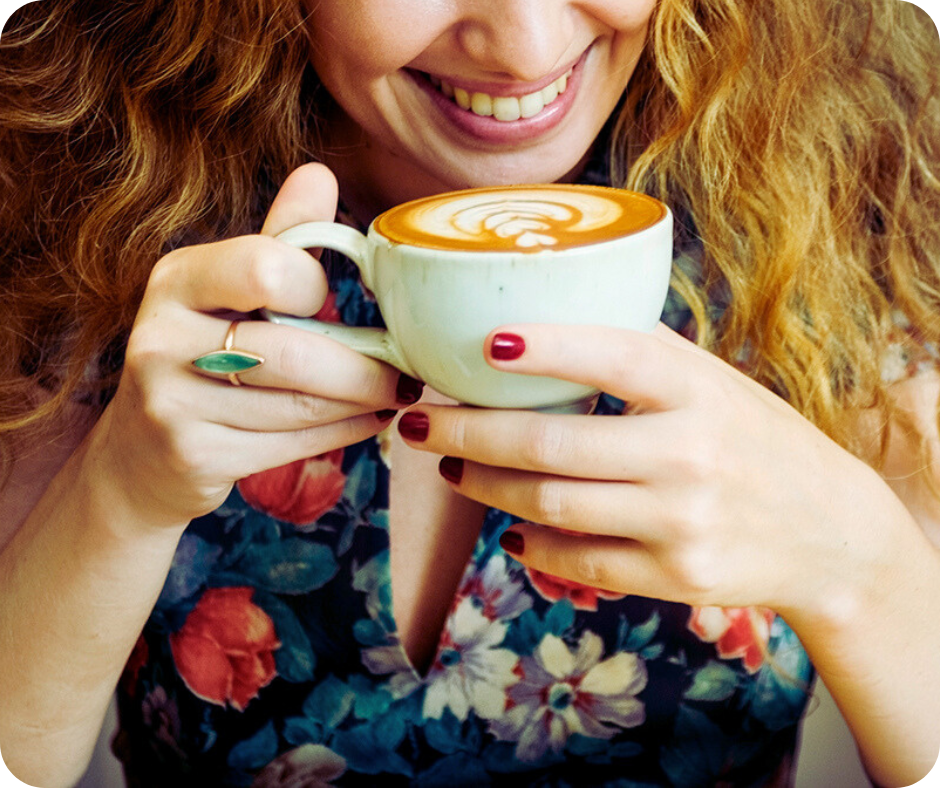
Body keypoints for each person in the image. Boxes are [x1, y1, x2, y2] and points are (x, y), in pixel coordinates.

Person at [0, 0, 938, 785]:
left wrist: (862, 571)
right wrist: (120, 496)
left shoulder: (852, 203)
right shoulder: (81, 221)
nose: (526, 46)